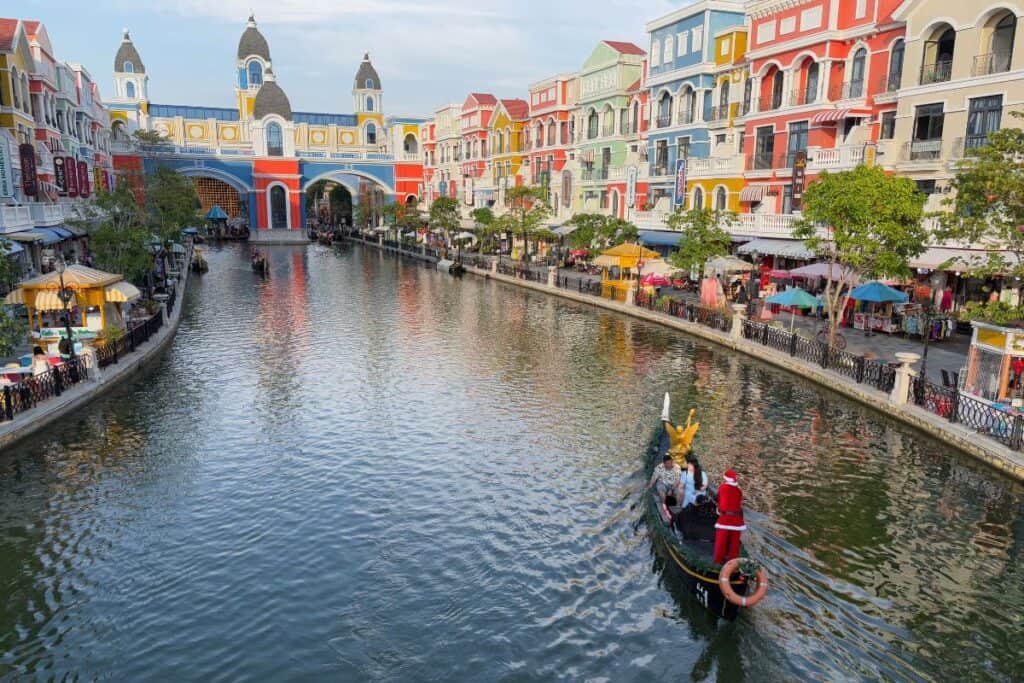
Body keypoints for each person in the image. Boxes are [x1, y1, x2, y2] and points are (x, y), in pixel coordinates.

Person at [713, 469, 746, 564]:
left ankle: (718, 561)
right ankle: (733, 563)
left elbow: (718, 499)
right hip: (737, 521)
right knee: (734, 544)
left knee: (721, 542)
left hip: (725, 520)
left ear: (725, 479)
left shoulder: (722, 487)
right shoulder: (739, 491)